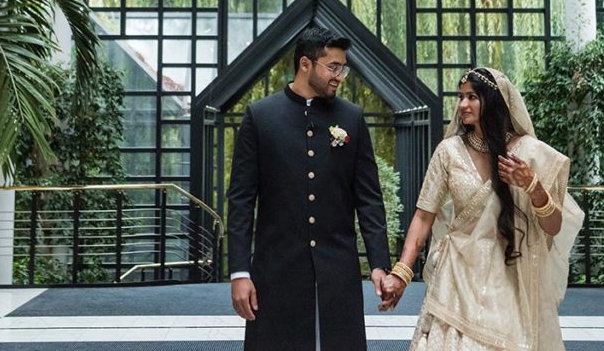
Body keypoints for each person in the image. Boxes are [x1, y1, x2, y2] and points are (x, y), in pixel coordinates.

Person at [380, 67, 583, 350]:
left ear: (494, 101)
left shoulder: (529, 154)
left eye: (472, 97)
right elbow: (424, 216)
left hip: (507, 278)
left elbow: (553, 227)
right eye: (460, 97)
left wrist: (533, 186)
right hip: (456, 278)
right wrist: (402, 272)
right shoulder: (448, 151)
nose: (462, 105)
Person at [226, 25, 392, 350]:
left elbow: (369, 200)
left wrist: (378, 264)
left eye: (343, 67)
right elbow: (241, 201)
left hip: (338, 265)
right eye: (333, 66)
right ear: (305, 64)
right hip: (276, 266)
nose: (340, 75)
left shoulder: (352, 118)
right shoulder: (260, 117)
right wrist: (239, 272)